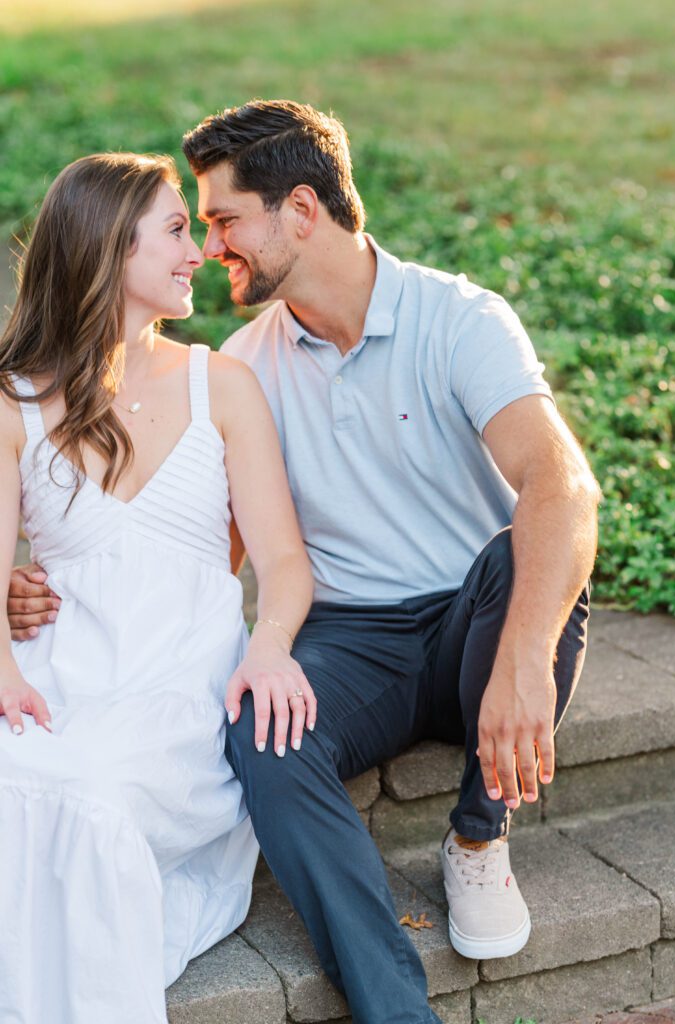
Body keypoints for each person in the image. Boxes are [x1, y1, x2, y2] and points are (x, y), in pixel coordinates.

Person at [10, 102, 600, 1024]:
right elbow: (205, 537)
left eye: (221, 219)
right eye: (194, 226)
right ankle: (396, 1010)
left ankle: (479, 837)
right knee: (262, 732)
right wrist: (61, 576)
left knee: (531, 551)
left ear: (299, 210)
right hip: (354, 640)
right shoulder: (245, 361)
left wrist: (523, 661)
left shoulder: (459, 320)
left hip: (468, 621)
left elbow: (564, 490)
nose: (212, 247)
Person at [0, 151, 314, 1024]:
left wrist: (269, 647)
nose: (197, 252)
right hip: (60, 674)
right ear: (107, 248)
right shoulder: (16, 404)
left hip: (179, 689)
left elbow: (284, 562)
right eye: (177, 230)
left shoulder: (224, 385)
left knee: (87, 795)